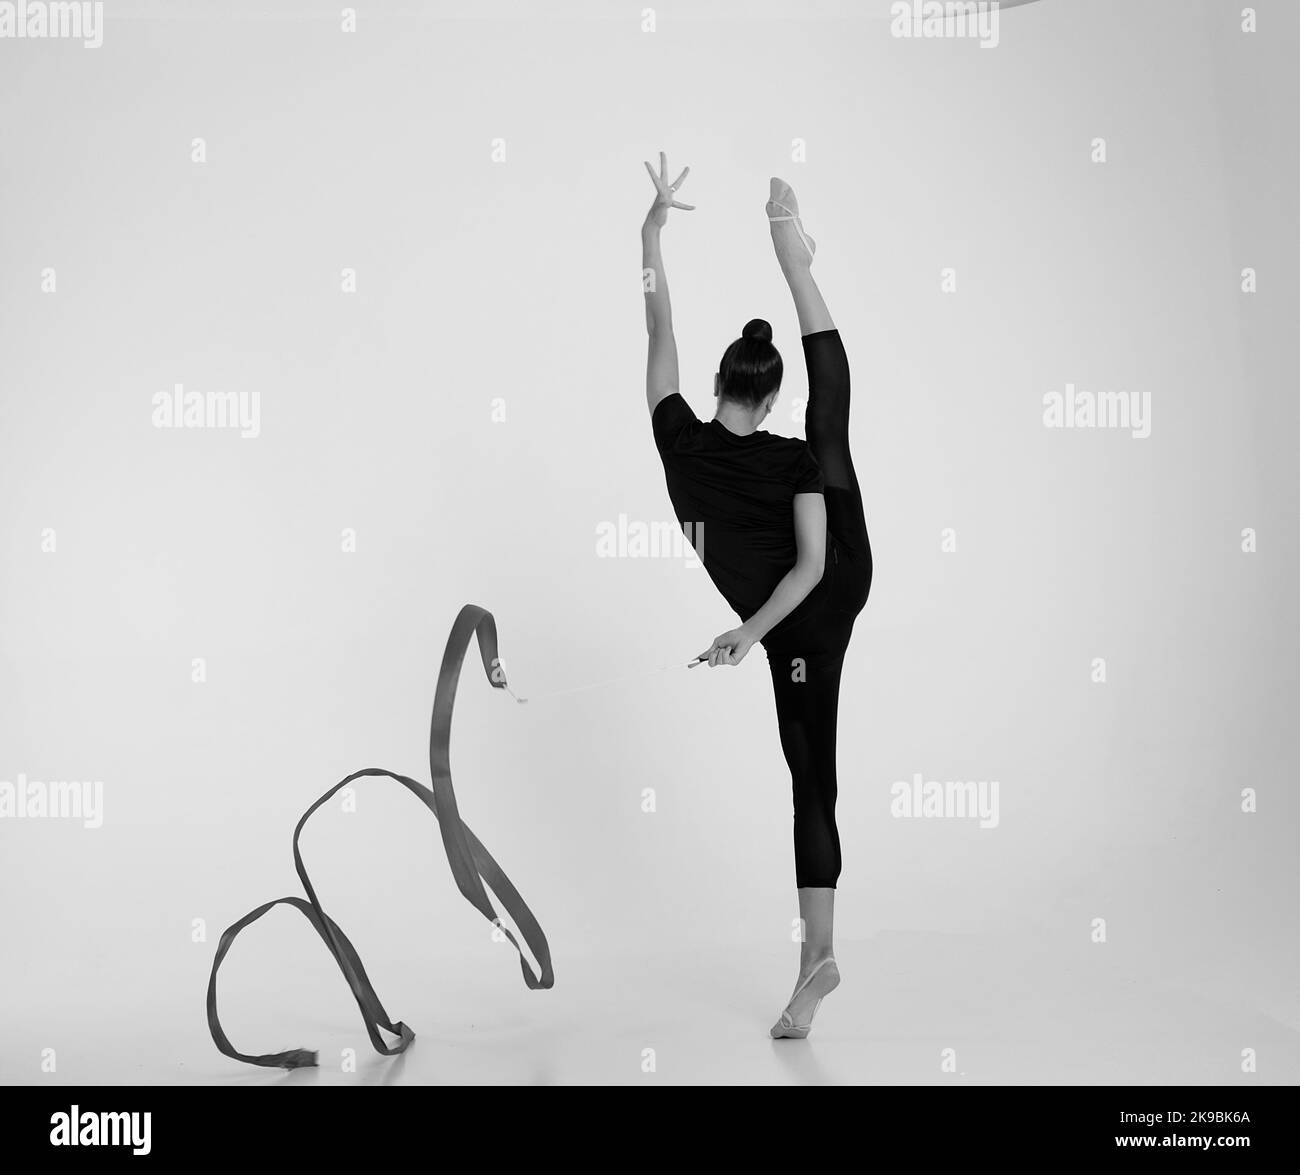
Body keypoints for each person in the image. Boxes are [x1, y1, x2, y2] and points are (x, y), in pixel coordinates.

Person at [641, 153, 873, 1038]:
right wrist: (753, 633)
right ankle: (795, 258)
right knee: (832, 422)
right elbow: (815, 566)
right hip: (825, 582)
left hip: (802, 604)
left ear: (713, 387)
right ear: (766, 393)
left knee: (811, 776)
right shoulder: (790, 454)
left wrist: (651, 232)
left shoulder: (676, 443)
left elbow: (658, 330)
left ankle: (818, 951)